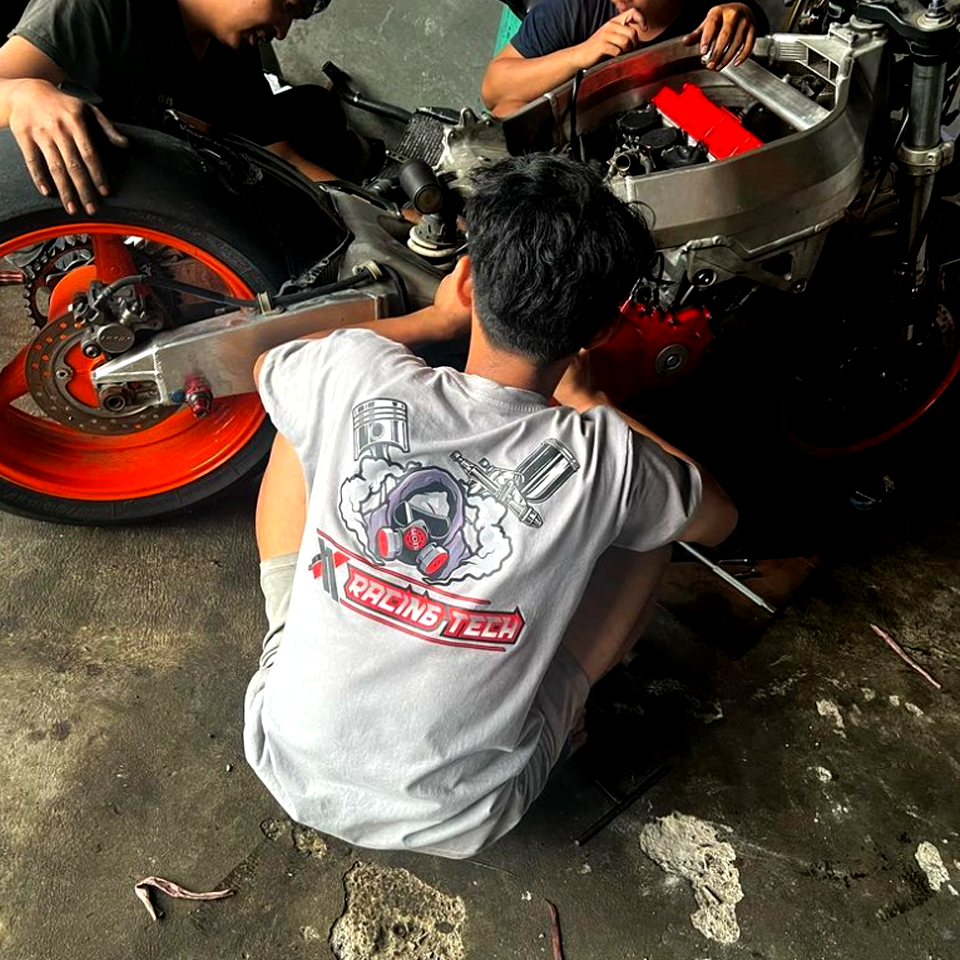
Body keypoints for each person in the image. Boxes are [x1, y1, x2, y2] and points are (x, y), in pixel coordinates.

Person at [242, 153, 737, 858]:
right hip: (466, 813)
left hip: (283, 749)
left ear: (469, 280)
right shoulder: (607, 457)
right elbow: (718, 520)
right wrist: (592, 403)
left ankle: (296, 632)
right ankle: (564, 699)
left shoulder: (356, 372)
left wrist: (430, 320)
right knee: (660, 521)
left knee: (305, 405)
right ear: (601, 332)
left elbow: (272, 364)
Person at [0, 0, 376, 216]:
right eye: (286, 7)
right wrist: (22, 94)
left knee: (314, 110)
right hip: (75, 199)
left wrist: (372, 212)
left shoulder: (233, 49)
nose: (282, 31)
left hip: (168, 194)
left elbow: (279, 156)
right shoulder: (100, 6)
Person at [483, 0, 768, 116]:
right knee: (509, 111)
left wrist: (744, 18)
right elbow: (494, 91)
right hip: (587, 148)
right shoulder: (574, 8)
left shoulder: (715, 11)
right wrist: (580, 54)